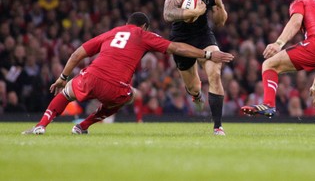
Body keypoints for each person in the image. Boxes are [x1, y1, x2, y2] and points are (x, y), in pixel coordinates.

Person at [22, 12, 234, 135]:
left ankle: (41, 126)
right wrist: (206, 54)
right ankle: (83, 126)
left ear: (126, 24)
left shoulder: (112, 32)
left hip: (92, 76)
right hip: (115, 86)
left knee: (66, 94)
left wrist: (63, 77)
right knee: (130, 96)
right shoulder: (144, 34)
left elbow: (77, 53)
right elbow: (177, 48)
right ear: (144, 26)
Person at [241, 0, 315, 136]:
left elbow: (296, 22)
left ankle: (269, 104)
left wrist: (279, 43)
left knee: (269, 65)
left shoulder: (301, 1)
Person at [163, 0, 228, 135]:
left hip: (203, 35)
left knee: (215, 72)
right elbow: (167, 14)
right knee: (193, 86)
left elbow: (220, 22)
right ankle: (196, 96)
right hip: (181, 38)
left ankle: (218, 127)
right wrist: (193, 12)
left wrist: (220, 4)